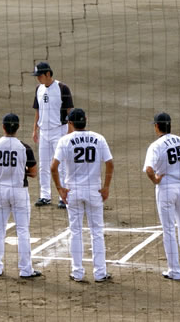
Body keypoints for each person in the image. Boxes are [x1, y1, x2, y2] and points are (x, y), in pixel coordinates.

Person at [50, 109, 114, 282]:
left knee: (75, 232)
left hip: (74, 191)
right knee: (97, 232)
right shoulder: (99, 138)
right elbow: (110, 164)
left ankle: (77, 272)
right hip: (94, 191)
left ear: (70, 123)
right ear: (86, 119)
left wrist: (60, 189)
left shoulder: (65, 140)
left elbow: (53, 167)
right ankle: (100, 273)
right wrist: (106, 187)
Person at [0, 113, 42, 279]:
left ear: (3, 127)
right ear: (18, 127)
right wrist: (20, 170)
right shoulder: (24, 148)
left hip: (0, 192)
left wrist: (0, 171)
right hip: (19, 191)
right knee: (22, 230)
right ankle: (25, 269)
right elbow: (34, 173)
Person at [143, 112, 180, 280]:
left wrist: (155, 180)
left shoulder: (156, 146)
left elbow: (149, 170)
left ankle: (174, 271)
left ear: (156, 126)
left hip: (166, 189)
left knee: (168, 230)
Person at [31, 62, 74, 208]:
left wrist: (70, 132)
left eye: (40, 75)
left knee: (61, 165)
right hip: (44, 132)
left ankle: (63, 196)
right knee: (43, 165)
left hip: (59, 131)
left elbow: (69, 111)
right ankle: (45, 195)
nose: (38, 78)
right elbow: (38, 111)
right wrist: (35, 129)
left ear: (48, 74)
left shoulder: (62, 88)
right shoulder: (39, 89)